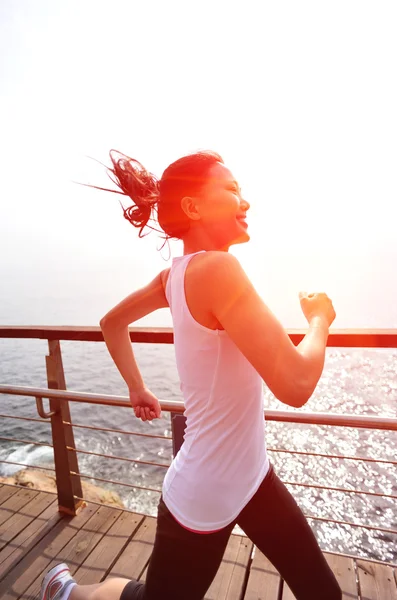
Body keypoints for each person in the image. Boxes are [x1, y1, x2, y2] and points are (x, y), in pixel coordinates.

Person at [40, 150, 341, 600]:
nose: (246, 202)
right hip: (203, 493)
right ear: (193, 207)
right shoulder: (218, 270)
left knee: (323, 594)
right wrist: (320, 319)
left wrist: (137, 388)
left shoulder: (175, 275)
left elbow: (111, 324)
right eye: (233, 190)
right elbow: (296, 386)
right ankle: (66, 592)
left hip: (251, 476)